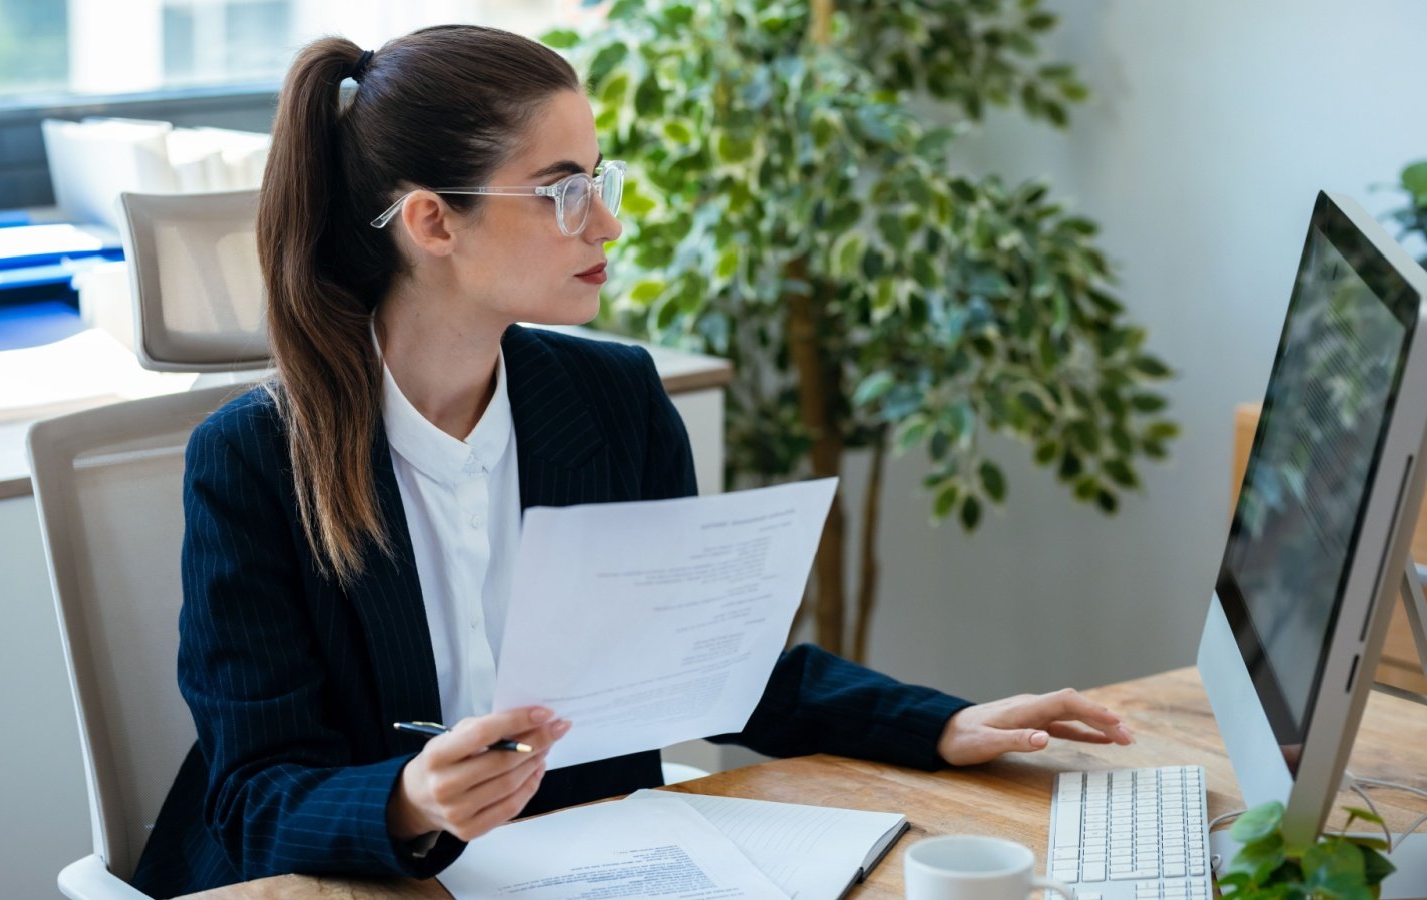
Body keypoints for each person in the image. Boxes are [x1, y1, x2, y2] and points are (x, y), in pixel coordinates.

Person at [130, 24, 1136, 898]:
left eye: (597, 181)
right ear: (433, 221)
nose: (606, 223)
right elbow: (252, 796)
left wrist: (940, 725)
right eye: (562, 191)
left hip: (585, 863)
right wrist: (408, 800)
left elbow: (700, 660)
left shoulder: (612, 401)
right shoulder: (255, 459)